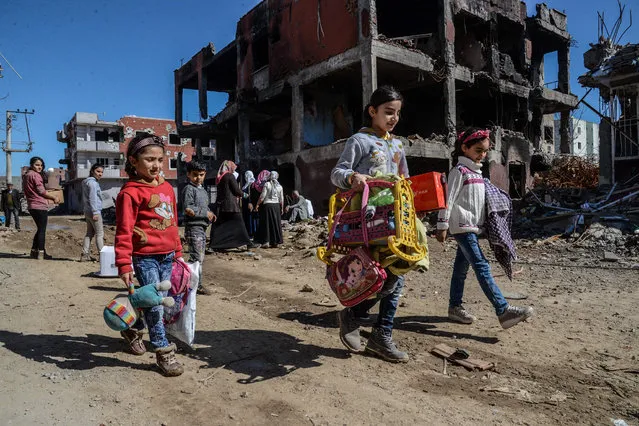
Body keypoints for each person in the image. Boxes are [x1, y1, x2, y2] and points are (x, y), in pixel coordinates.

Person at [330, 86, 410, 363]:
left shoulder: (399, 145)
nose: (394, 118)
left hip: (396, 218)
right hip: (368, 217)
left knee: (398, 271)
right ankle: (362, 321)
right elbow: (337, 172)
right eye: (388, 112)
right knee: (380, 274)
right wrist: (353, 177)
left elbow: (404, 180)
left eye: (397, 113)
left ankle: (376, 331)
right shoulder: (359, 141)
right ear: (372, 111)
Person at [436, 128, 533, 329]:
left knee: (460, 269)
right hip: (462, 227)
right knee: (481, 265)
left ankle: (454, 307)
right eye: (478, 150)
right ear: (465, 148)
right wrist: (442, 225)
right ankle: (503, 310)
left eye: (485, 151)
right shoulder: (459, 172)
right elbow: (448, 200)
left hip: (472, 227)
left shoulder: (477, 174)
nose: (482, 155)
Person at [115, 132, 184, 377]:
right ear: (133, 161)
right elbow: (123, 231)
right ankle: (163, 351)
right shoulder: (130, 193)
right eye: (149, 159)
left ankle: (133, 328)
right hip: (144, 257)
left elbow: (173, 221)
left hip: (167, 256)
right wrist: (124, 264)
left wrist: (178, 251)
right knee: (156, 305)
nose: (155, 165)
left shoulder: (167, 188)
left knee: (158, 301)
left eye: (159, 159)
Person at [181, 160, 216, 295]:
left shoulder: (202, 190)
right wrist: (205, 213)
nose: (198, 178)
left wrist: (210, 214)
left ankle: (191, 283)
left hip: (201, 227)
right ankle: (195, 285)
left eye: (201, 175)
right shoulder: (189, 189)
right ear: (189, 174)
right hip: (193, 227)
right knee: (197, 258)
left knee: (199, 257)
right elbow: (188, 208)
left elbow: (203, 207)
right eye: (195, 175)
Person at [208, 160, 258, 251]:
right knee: (240, 224)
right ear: (229, 167)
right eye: (233, 167)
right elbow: (236, 190)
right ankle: (248, 243)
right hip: (231, 205)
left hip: (221, 205)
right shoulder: (230, 176)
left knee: (219, 226)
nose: (234, 169)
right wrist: (245, 195)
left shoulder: (220, 177)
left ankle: (213, 245)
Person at [23, 157, 60, 259]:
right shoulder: (36, 175)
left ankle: (34, 252)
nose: (40, 167)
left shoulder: (26, 175)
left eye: (41, 165)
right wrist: (54, 197)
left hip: (31, 205)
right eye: (37, 165)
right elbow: (41, 191)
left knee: (39, 229)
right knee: (42, 230)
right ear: (31, 165)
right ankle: (41, 253)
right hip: (39, 206)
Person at [80, 163, 105, 262]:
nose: (100, 174)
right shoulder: (93, 183)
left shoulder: (85, 182)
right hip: (94, 211)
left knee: (89, 233)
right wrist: (95, 212)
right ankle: (103, 256)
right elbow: (93, 198)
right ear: (92, 171)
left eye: (102, 172)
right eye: (98, 171)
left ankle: (84, 254)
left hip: (87, 211)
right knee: (100, 234)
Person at [255, 171, 284, 248]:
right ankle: (276, 241)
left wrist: (257, 204)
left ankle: (266, 241)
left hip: (267, 205)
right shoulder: (280, 186)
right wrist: (282, 208)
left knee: (267, 223)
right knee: (275, 223)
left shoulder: (267, 184)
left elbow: (262, 196)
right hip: (276, 206)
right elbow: (281, 199)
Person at [241, 170, 259, 238]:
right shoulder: (246, 184)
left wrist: (250, 202)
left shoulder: (252, 184)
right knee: (247, 218)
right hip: (246, 205)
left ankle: (252, 233)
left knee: (251, 219)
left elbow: (251, 195)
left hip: (250, 205)